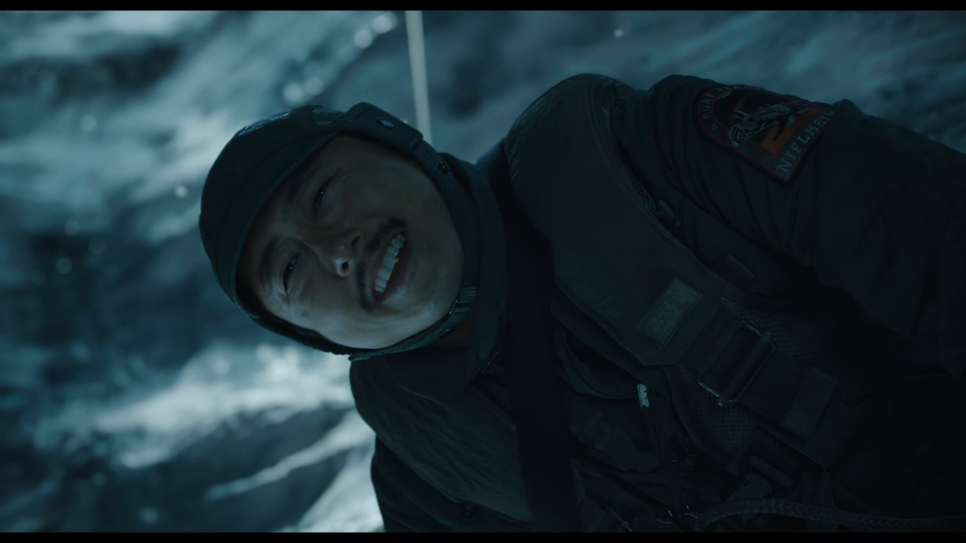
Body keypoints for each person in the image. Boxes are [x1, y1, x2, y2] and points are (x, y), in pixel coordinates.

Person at [199, 73, 966, 532]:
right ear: (312, 336)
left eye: (324, 194)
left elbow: (927, 228)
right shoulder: (427, 482)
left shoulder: (653, 158)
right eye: (290, 272)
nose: (334, 248)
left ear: (401, 142)